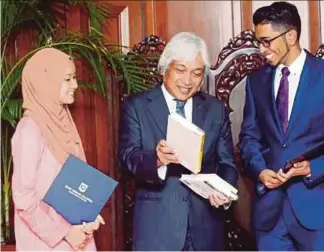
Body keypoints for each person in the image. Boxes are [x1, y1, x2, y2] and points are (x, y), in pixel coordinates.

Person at [238, 1, 324, 250]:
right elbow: (249, 137)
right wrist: (260, 170)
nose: (262, 49)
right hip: (269, 214)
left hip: (317, 211)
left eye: (267, 41)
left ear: (291, 35)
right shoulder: (255, 81)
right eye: (258, 41)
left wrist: (312, 168)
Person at [118, 32, 238, 251]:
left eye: (196, 74)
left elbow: (227, 163)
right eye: (180, 70)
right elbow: (127, 158)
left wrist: (225, 193)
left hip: (206, 228)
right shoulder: (137, 106)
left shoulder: (214, 109)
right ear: (164, 69)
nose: (187, 81)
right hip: (157, 229)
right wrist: (156, 160)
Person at [11, 48, 104, 251]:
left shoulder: (64, 120)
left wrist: (90, 214)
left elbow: (77, 180)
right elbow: (23, 197)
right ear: (46, 82)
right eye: (68, 79)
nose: (75, 85)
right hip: (46, 242)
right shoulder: (30, 129)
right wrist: (65, 233)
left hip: (78, 238)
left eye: (74, 78)